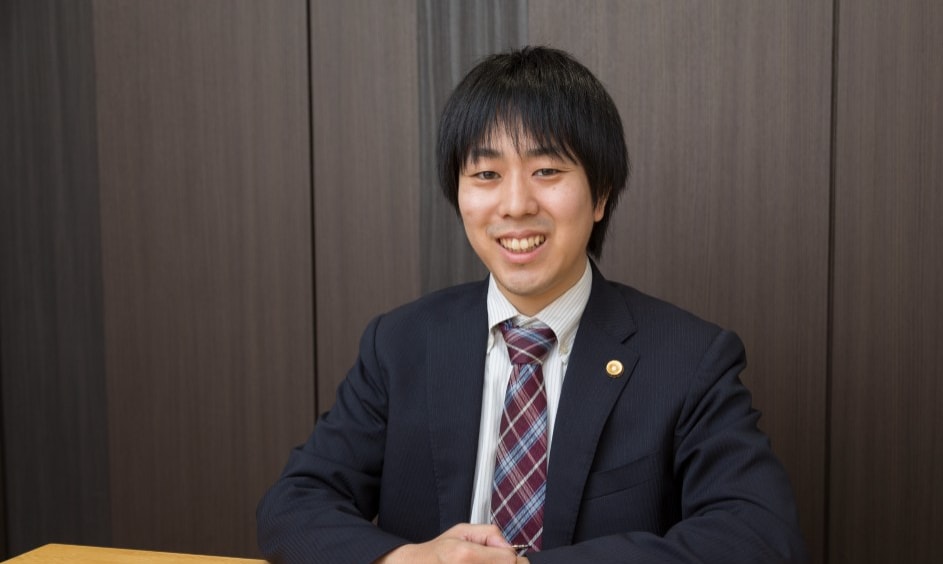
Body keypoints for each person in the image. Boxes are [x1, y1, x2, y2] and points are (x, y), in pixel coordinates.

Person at [257, 46, 807, 564]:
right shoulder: (399, 344)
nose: (516, 205)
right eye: (486, 175)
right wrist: (407, 558)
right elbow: (294, 504)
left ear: (601, 194)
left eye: (546, 171)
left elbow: (758, 535)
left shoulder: (688, 359)